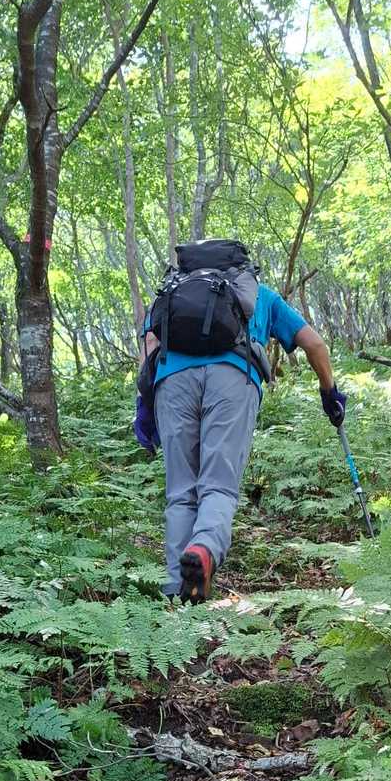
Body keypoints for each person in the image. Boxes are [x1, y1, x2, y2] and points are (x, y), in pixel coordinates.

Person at [135, 239, 346, 604]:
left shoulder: (170, 293)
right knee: (218, 485)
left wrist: (144, 405)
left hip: (172, 384)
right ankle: (204, 548)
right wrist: (330, 392)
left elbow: (151, 346)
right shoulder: (259, 294)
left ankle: (176, 595)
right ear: (241, 266)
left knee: (180, 492)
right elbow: (314, 344)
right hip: (233, 379)